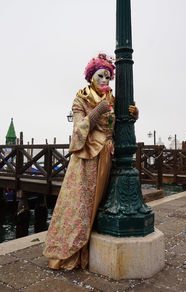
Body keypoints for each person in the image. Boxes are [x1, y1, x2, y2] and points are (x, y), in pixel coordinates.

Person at [43, 53, 138, 270]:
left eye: (107, 76)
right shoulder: (81, 99)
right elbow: (77, 131)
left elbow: (120, 124)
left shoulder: (114, 100)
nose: (105, 81)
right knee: (80, 205)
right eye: (100, 76)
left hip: (109, 157)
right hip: (86, 160)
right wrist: (96, 112)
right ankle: (71, 253)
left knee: (101, 203)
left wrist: (133, 114)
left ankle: (91, 248)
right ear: (90, 77)